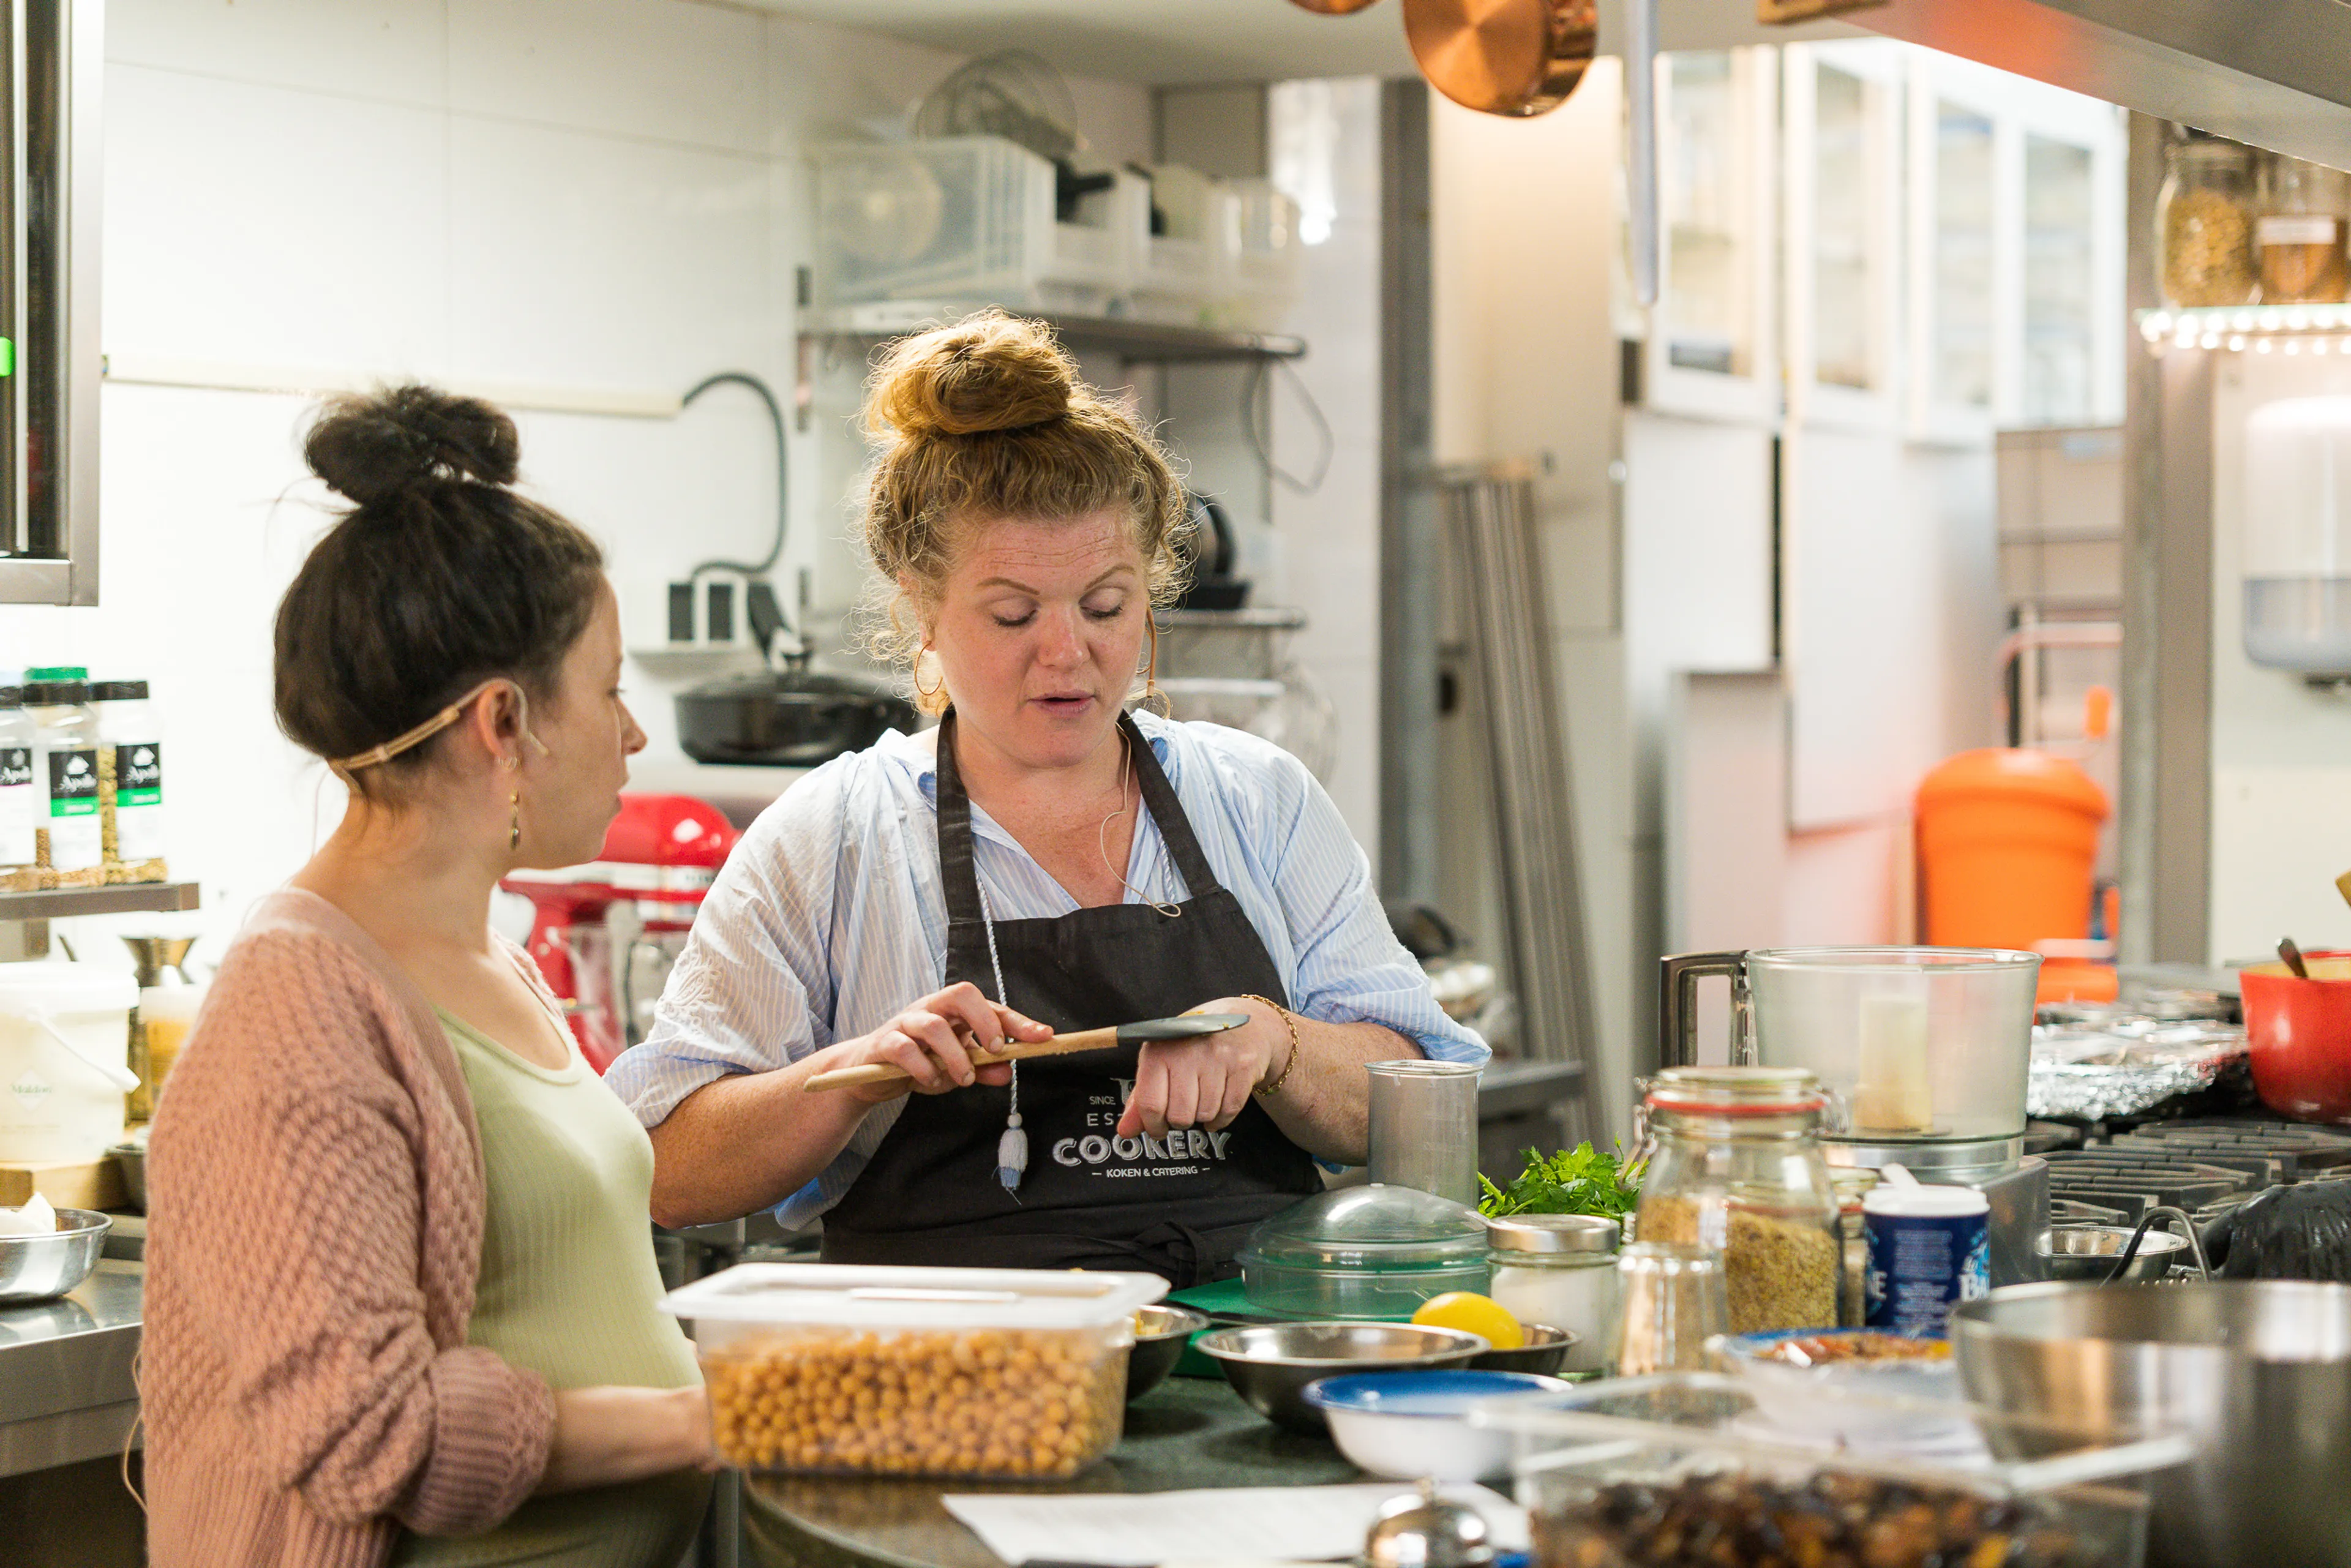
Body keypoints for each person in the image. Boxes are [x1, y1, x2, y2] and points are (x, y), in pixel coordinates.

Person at [607, 310, 1488, 1285]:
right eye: (1014, 613)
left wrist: (1278, 1041)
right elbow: (665, 1169)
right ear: (921, 607)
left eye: (1106, 606)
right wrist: (852, 1075)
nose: (1067, 651)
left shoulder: (1258, 800)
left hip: (1238, 1348)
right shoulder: (833, 837)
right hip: (952, 1375)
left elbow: (1419, 1099)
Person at [144, 386, 716, 1568]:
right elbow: (366, 1434)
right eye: (608, 689)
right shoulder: (296, 1013)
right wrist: (711, 1423)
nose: (633, 734)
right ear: (504, 722)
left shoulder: (484, 956)